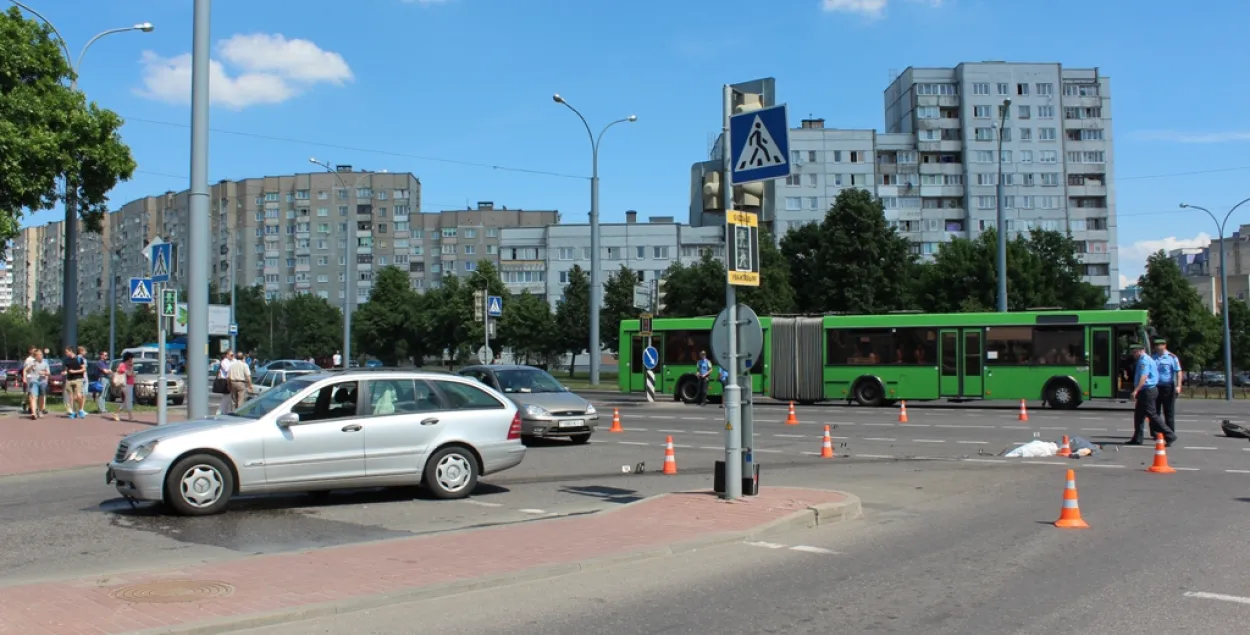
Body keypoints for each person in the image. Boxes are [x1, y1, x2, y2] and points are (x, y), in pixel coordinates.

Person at [1128, 343, 1174, 446]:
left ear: (1141, 350)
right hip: (1147, 390)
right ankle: (1137, 438)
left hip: (1147, 391)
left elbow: (1144, 377)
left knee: (1152, 415)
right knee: (1139, 415)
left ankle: (1169, 435)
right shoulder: (1143, 359)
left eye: (1135, 352)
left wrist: (1136, 390)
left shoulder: (1144, 360)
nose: (1133, 354)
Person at [1152, 337, 1182, 432]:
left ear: (1165, 345)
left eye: (1160, 345)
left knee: (1168, 412)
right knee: (1155, 412)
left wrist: (1178, 386)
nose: (1158, 347)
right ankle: (1156, 433)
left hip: (1167, 387)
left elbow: (1178, 372)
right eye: (1156, 345)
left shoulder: (1172, 358)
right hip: (1156, 387)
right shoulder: (1153, 358)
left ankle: (1169, 432)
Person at [24, 349, 49, 420]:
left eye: (41, 354)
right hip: (33, 381)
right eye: (39, 354)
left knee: (41, 397)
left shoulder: (45, 363)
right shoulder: (32, 363)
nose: (41, 355)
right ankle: (33, 413)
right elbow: (26, 370)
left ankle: (40, 411)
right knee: (33, 397)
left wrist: (44, 373)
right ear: (36, 356)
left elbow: (48, 373)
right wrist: (25, 378)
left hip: (42, 382)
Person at [62, 346, 87, 419]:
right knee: (71, 397)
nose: (66, 353)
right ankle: (73, 412)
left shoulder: (79, 359)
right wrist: (64, 372)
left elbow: (84, 369)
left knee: (78, 396)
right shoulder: (66, 360)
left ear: (71, 351)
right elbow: (67, 370)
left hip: (78, 379)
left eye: (67, 352)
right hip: (69, 379)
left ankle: (80, 409)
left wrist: (75, 371)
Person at [113, 352, 136, 422]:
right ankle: (130, 416)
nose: (132, 360)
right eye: (131, 358)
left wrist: (132, 369)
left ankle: (116, 413)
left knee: (126, 401)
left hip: (130, 384)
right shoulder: (123, 365)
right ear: (127, 358)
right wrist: (131, 368)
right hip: (125, 384)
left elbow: (132, 374)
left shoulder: (129, 365)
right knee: (129, 400)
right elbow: (129, 374)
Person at [89, 351, 112, 416]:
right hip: (102, 378)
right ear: (101, 356)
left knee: (104, 395)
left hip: (107, 379)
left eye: (107, 355)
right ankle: (100, 409)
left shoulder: (105, 363)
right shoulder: (100, 362)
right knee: (101, 394)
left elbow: (108, 371)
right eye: (105, 355)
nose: (106, 356)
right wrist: (109, 371)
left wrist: (109, 371)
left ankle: (103, 408)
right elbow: (105, 371)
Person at [215, 350, 236, 415]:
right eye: (231, 355)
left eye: (233, 355)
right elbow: (227, 369)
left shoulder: (234, 361)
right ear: (227, 355)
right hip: (226, 381)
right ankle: (220, 412)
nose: (233, 356)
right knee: (227, 396)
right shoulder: (224, 362)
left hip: (234, 380)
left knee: (231, 398)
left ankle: (224, 411)